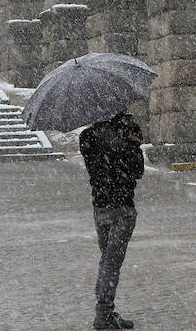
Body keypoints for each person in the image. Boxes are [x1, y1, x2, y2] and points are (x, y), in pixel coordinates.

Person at [79, 112, 144, 330]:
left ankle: (106, 311)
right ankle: (103, 314)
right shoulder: (127, 131)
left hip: (100, 208)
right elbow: (137, 171)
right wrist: (133, 144)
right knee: (111, 263)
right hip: (122, 208)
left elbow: (96, 170)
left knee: (106, 259)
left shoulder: (87, 137)